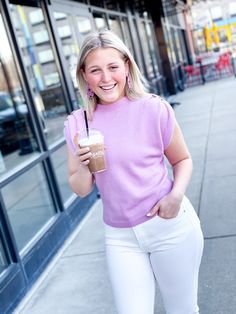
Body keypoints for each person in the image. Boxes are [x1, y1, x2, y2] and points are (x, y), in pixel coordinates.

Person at [64, 29, 204, 314]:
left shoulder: (154, 108)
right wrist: (81, 163)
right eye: (95, 70)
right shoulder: (78, 123)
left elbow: (183, 159)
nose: (106, 78)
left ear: (127, 66)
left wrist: (175, 196)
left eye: (113, 67)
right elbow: (81, 189)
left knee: (182, 310)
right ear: (84, 75)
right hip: (120, 237)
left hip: (169, 226)